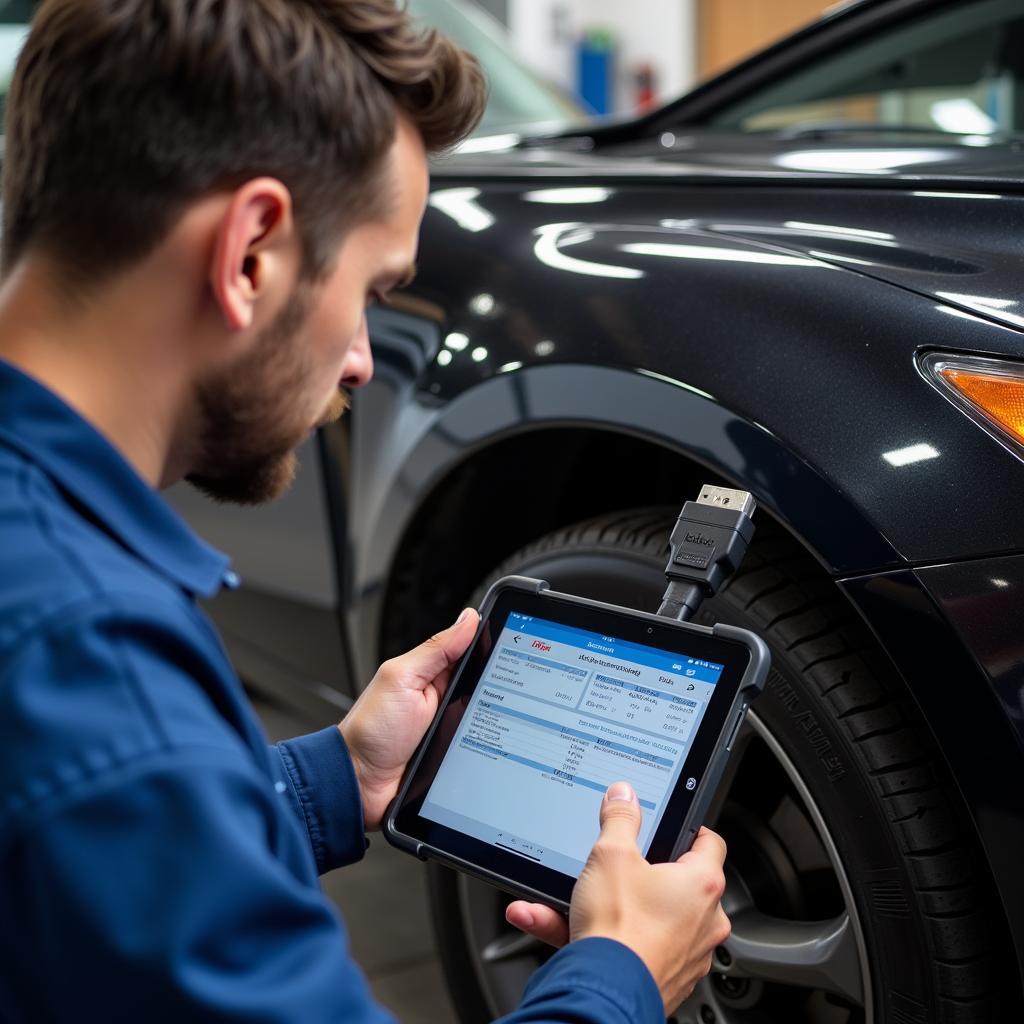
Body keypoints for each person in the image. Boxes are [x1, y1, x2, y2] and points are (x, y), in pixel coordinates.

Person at [0, 1, 730, 1021]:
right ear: (252, 250)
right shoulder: (93, 659)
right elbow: (117, 774)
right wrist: (621, 973)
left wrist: (335, 777)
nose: (356, 362)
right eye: (372, 291)